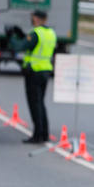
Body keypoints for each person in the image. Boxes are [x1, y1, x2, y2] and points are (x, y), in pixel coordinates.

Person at [20, 9, 56, 145]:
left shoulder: (36, 33)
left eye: (32, 17)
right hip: (45, 70)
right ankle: (45, 133)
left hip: (34, 71)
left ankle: (37, 135)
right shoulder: (51, 33)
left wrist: (14, 38)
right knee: (41, 103)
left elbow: (22, 46)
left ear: (36, 18)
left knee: (35, 104)